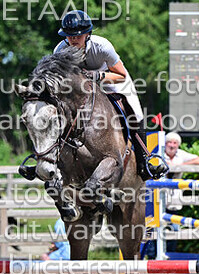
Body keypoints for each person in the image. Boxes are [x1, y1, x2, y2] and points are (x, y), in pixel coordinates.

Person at [54, 10, 167, 180]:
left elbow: (120, 74)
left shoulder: (102, 46)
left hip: (110, 79)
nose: (73, 39)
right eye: (70, 36)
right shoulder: (60, 51)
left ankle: (146, 160)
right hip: (83, 87)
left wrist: (98, 76)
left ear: (88, 34)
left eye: (78, 36)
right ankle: (49, 158)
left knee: (134, 112)